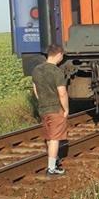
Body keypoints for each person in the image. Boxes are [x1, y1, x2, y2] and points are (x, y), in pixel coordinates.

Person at [31, 44, 69, 176]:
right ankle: (51, 168)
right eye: (62, 56)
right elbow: (62, 93)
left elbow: (35, 89)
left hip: (43, 108)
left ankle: (54, 161)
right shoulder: (56, 71)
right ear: (59, 54)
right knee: (54, 138)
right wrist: (66, 109)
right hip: (55, 108)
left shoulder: (37, 70)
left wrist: (41, 101)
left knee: (49, 137)